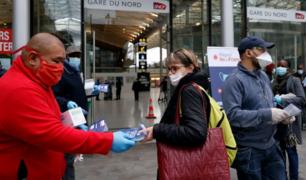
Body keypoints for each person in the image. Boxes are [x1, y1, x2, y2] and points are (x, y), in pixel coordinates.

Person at [0, 33, 135, 180]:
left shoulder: (37, 82)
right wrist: (107, 140)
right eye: (56, 61)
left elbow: (43, 121)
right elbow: (52, 134)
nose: (61, 68)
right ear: (33, 58)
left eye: (63, 62)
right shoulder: (20, 89)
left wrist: (70, 125)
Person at [222, 36, 293, 180]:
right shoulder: (234, 80)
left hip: (271, 144)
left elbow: (268, 104)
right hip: (249, 149)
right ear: (248, 53)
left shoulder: (263, 76)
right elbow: (232, 116)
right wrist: (267, 114)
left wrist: (282, 116)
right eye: (262, 50)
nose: (267, 54)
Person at [141, 49, 210, 175]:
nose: (170, 73)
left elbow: (196, 133)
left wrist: (157, 130)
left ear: (190, 67)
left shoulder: (189, 90)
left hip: (185, 166)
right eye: (168, 69)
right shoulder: (196, 86)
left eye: (175, 68)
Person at [52, 45, 88, 180]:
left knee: (70, 158)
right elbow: (51, 95)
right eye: (73, 55)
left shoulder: (74, 70)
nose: (76, 58)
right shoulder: (61, 72)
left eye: (78, 55)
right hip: (66, 121)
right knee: (67, 159)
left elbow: (76, 92)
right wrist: (65, 102)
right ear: (66, 56)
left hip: (77, 119)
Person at [272, 59, 305, 180]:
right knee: (279, 154)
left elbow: (302, 99)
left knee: (291, 152)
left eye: (283, 66)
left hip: (290, 122)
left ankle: (294, 178)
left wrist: (283, 100)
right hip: (277, 122)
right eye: (279, 65)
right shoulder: (274, 81)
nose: (280, 68)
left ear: (288, 68)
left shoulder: (294, 80)